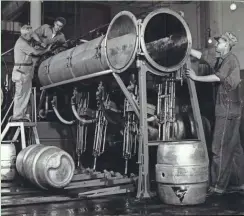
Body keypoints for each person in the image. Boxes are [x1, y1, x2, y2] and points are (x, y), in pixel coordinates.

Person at [186, 31, 244, 195]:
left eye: (219, 42)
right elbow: (204, 56)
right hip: (232, 109)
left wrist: (196, 78)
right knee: (235, 147)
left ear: (226, 45)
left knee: (219, 147)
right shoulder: (221, 60)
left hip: (226, 109)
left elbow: (218, 78)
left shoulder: (230, 60)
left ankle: (218, 185)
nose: (216, 44)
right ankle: (240, 182)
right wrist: (188, 49)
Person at [11, 25, 51, 121]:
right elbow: (36, 53)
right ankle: (17, 116)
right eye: (30, 35)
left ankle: (21, 115)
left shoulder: (25, 40)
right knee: (20, 94)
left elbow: (33, 36)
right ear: (25, 35)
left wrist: (40, 42)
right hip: (21, 73)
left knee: (25, 94)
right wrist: (47, 50)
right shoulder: (22, 43)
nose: (32, 36)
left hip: (26, 73)